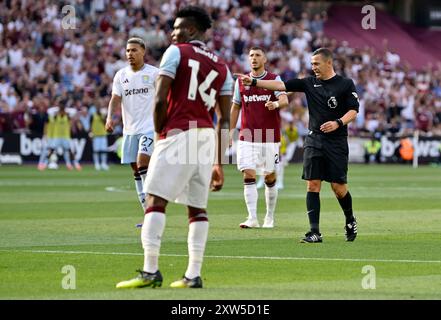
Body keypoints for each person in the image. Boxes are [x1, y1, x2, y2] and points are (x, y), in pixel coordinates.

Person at [116, 6, 233, 289]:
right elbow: (226, 119)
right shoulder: (222, 66)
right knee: (197, 208)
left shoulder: (176, 52)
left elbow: (159, 99)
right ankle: (193, 274)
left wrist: (159, 136)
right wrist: (219, 161)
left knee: (155, 199)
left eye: (177, 28)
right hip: (205, 137)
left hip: (178, 133)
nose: (172, 33)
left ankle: (150, 270)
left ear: (190, 30)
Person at [236, 47, 359, 243]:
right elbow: (280, 86)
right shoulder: (309, 83)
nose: (313, 68)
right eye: (311, 64)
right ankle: (314, 232)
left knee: (338, 187)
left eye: (317, 64)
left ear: (329, 62)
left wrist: (338, 123)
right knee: (312, 185)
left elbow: (353, 111)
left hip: (336, 142)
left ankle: (350, 219)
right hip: (314, 140)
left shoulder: (345, 84)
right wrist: (255, 82)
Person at [230, 46, 288, 229]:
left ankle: (269, 217)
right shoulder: (240, 82)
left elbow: (285, 100)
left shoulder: (273, 79)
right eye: (251, 55)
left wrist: (276, 103)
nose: (254, 58)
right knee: (248, 173)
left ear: (265, 60)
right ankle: (252, 217)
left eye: (258, 55)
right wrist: (230, 131)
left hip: (269, 136)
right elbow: (235, 107)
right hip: (247, 135)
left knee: (270, 176)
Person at [106, 37, 159, 212]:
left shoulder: (154, 73)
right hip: (130, 130)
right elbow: (115, 98)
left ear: (143, 51)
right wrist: (109, 118)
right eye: (128, 51)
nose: (130, 54)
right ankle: (147, 211)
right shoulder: (121, 75)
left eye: (134, 50)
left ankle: (153, 209)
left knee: (142, 162)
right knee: (136, 171)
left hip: (149, 128)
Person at [90, 105, 109, 170]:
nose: (98, 110)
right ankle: (97, 164)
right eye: (97, 108)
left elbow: (105, 123)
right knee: (96, 151)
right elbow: (90, 124)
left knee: (104, 150)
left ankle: (103, 163)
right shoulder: (93, 115)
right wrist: (91, 133)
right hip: (96, 135)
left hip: (103, 135)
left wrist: (102, 117)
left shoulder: (102, 115)